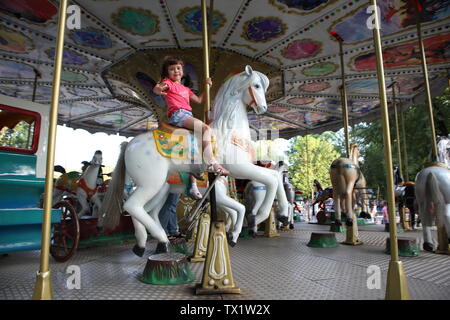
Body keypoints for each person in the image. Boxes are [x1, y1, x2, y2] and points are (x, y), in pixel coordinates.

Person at [153, 56, 228, 200]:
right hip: (178, 114)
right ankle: (211, 162)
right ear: (167, 72)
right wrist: (158, 88)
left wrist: (207, 87)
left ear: (182, 71)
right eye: (172, 69)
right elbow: (158, 89)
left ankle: (193, 183)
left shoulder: (185, 89)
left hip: (187, 114)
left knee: (195, 144)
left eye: (178, 68)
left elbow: (199, 101)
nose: (176, 71)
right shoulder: (168, 83)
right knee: (206, 129)